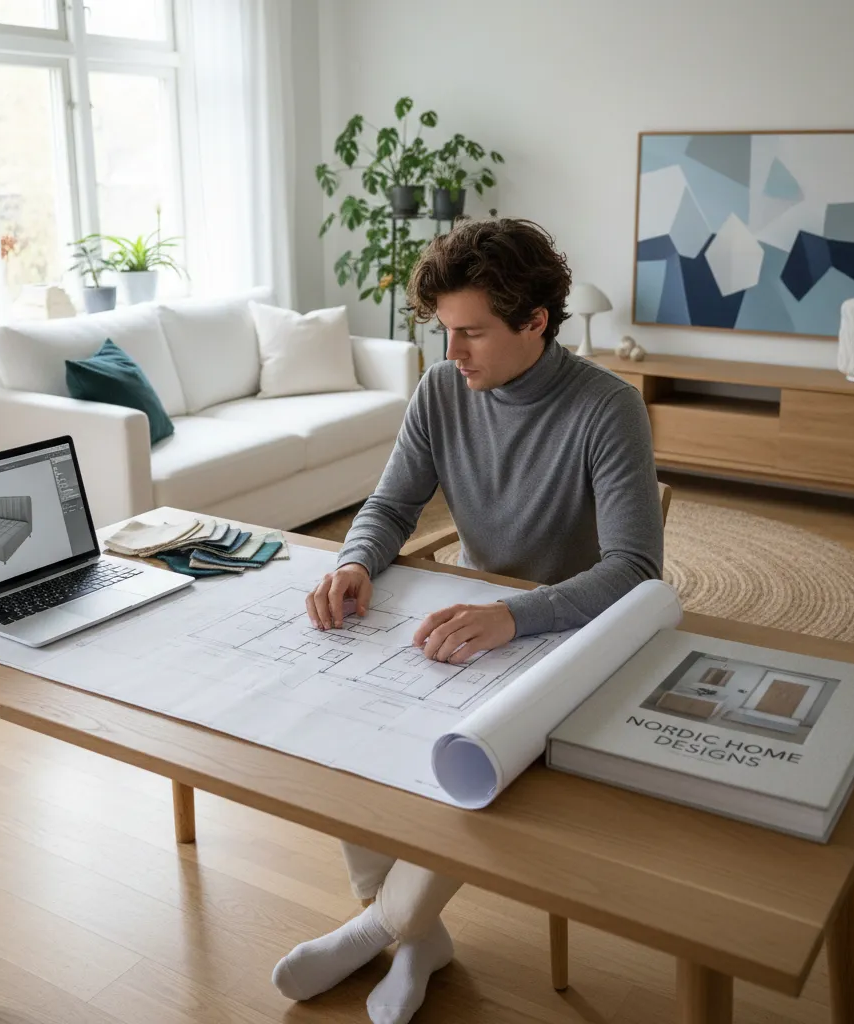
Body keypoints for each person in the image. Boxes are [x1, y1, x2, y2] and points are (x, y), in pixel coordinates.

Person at [272, 218, 663, 1023]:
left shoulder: (608, 408)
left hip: (571, 637)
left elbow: (634, 571)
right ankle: (418, 938)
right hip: (478, 620)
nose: (452, 354)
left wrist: (511, 616)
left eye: (471, 333)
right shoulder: (443, 389)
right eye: (445, 332)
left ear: (536, 322)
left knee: (466, 758)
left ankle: (375, 929)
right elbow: (390, 503)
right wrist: (353, 561)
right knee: (345, 720)